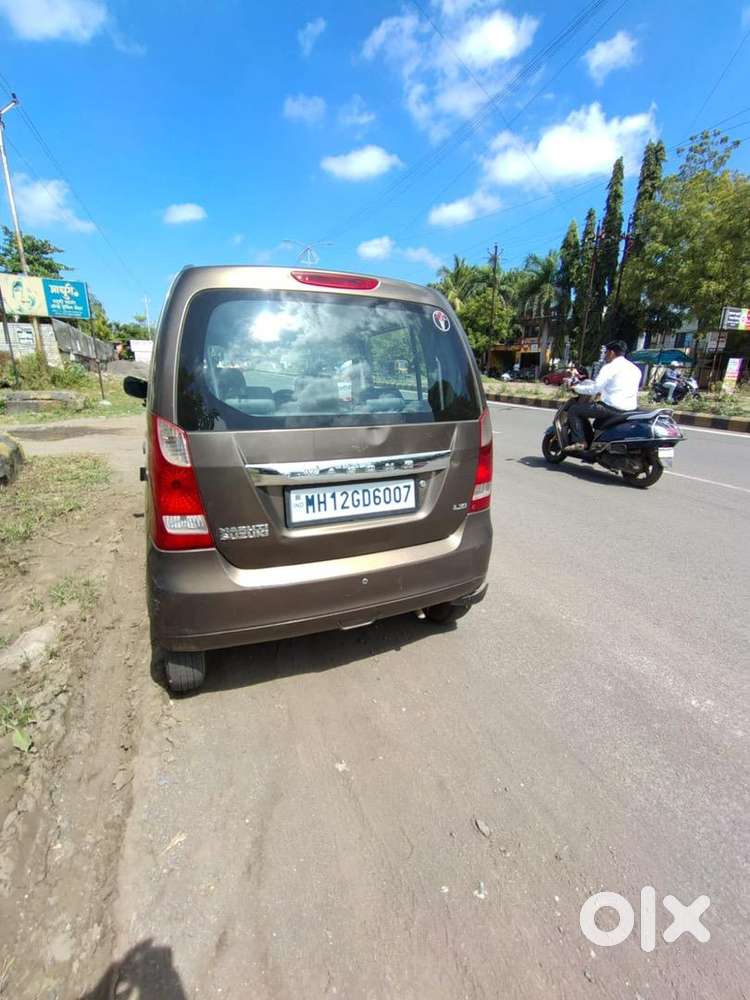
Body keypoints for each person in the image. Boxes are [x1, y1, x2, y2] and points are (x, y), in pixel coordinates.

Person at [565, 340, 641, 451]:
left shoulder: (610, 367)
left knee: (574, 410)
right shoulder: (635, 369)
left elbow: (594, 389)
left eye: (606, 353)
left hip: (610, 408)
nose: (605, 356)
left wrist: (575, 388)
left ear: (611, 353)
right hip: (630, 409)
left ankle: (580, 442)